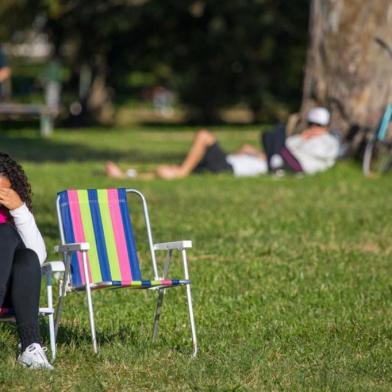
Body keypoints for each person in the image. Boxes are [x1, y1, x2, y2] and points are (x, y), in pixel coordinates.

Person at [105, 107, 339, 180]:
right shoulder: (300, 138)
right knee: (167, 170)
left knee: (204, 136)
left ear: (326, 127)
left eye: (317, 125)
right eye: (310, 123)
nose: (312, 128)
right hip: (239, 162)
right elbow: (278, 155)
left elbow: (298, 165)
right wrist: (256, 153)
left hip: (235, 168)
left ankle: (182, 172)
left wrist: (272, 155)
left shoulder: (326, 143)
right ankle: (126, 176)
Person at [0, 153, 53, 370]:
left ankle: (31, 346)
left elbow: (38, 257)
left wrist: (19, 209)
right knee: (5, 234)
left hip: (11, 294)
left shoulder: (13, 215)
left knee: (28, 256)